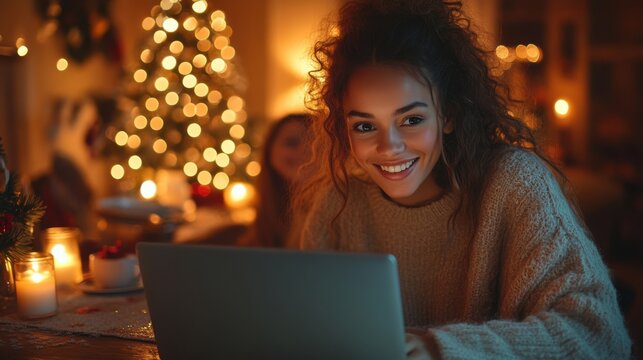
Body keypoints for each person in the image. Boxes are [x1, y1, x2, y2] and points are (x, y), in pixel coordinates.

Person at [294, 0, 631, 358]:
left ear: (449, 115)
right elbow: (303, 330)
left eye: (411, 120)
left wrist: (435, 348)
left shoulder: (513, 184)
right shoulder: (338, 202)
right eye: (364, 126)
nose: (388, 147)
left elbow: (599, 335)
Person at [237, 113, 312, 248]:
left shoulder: (339, 208)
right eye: (292, 143)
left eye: (314, 142)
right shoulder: (268, 209)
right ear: (269, 151)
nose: (304, 151)